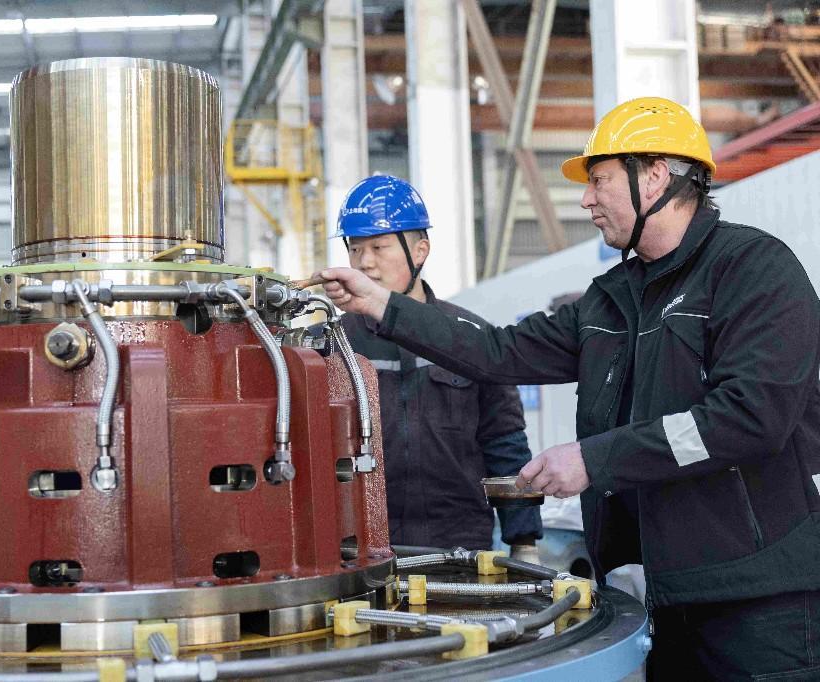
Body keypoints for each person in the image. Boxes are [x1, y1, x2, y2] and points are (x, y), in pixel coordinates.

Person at [318, 97, 820, 680]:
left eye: (598, 180)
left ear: (655, 175)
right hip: (663, 594)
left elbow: (749, 418)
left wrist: (593, 460)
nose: (586, 199)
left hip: (759, 600)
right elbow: (496, 351)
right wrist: (381, 304)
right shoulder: (611, 299)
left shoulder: (752, 269)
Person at [331, 174, 542, 559]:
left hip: (459, 549)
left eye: (378, 247)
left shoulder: (470, 338)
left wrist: (524, 541)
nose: (365, 263)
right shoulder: (333, 345)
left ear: (420, 251)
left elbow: (505, 442)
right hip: (359, 549)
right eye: (355, 249)